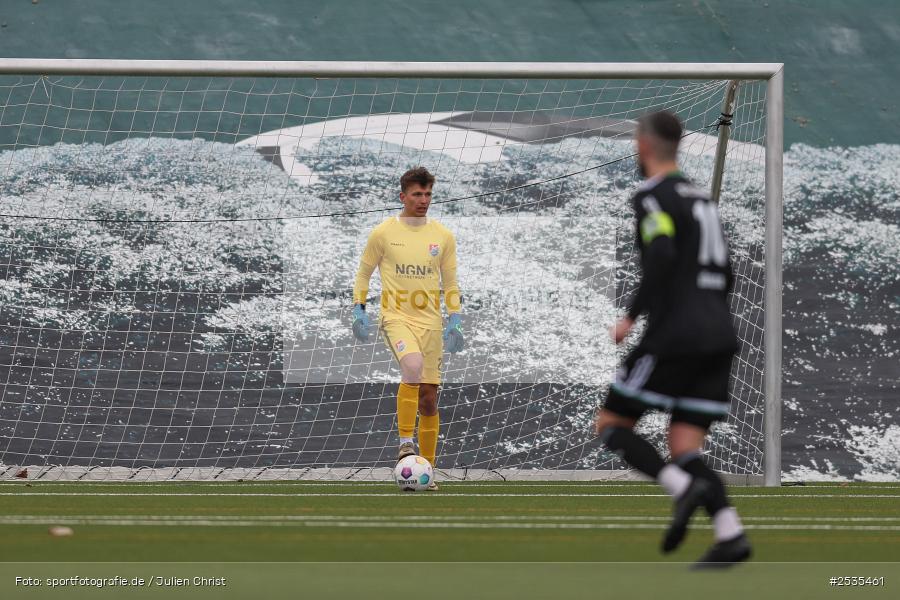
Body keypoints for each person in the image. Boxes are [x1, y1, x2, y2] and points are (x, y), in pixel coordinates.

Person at [594, 111, 752, 567]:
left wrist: (631, 316)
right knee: (684, 445)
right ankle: (730, 534)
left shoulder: (653, 197)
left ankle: (683, 489)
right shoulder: (702, 197)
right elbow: (727, 273)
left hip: (676, 334)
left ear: (642, 145)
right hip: (720, 333)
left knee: (610, 423)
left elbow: (660, 254)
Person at [351, 167, 463, 491]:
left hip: (431, 323)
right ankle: (404, 443)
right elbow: (363, 273)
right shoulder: (384, 233)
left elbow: (451, 283)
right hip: (396, 318)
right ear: (403, 196)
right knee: (411, 366)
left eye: (428, 194)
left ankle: (427, 472)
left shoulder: (442, 236)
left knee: (429, 399)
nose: (423, 200)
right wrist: (360, 309)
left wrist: (454, 318)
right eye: (417, 194)